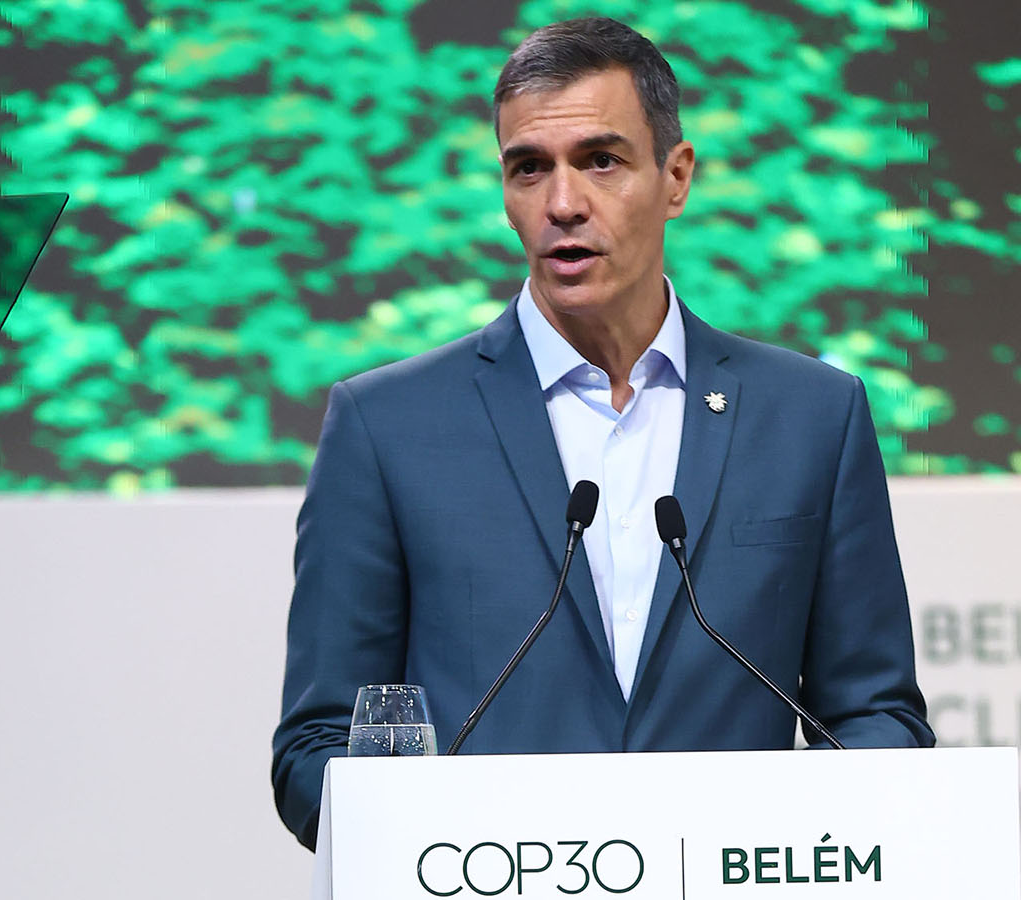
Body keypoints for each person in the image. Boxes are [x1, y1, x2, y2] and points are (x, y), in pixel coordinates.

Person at [271, 16, 932, 850]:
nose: (562, 203)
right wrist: (430, 831)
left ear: (677, 175)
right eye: (528, 169)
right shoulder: (386, 427)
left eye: (601, 161)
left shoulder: (811, 417)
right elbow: (315, 749)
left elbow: (875, 716)